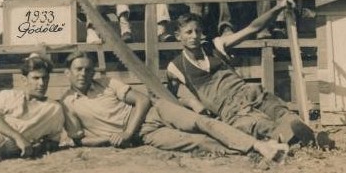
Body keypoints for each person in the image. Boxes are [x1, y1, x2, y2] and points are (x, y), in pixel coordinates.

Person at [62, 53, 287, 160]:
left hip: (155, 111)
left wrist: (126, 132)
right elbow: (79, 138)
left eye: (87, 69)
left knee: (202, 122)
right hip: (146, 133)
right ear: (67, 73)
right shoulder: (67, 103)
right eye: (78, 70)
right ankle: (250, 151)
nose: (84, 74)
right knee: (197, 142)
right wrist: (110, 139)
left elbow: (142, 100)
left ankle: (260, 145)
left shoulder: (107, 83)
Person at [166, 4, 333, 149]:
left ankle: (306, 136)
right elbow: (168, 98)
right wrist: (191, 102)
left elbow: (252, 28)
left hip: (248, 92)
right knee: (259, 125)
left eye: (197, 31)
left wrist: (277, 8)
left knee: (281, 112)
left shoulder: (215, 45)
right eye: (188, 32)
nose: (194, 36)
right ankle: (301, 140)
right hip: (229, 109)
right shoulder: (176, 67)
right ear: (178, 36)